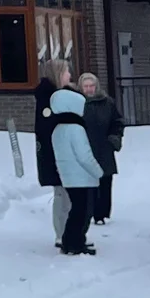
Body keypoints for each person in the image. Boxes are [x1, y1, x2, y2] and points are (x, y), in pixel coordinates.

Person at [49, 85, 106, 254]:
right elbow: (84, 156)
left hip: (68, 176)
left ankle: (71, 241)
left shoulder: (58, 128)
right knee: (82, 212)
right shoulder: (76, 128)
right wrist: (98, 172)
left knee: (76, 210)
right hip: (82, 177)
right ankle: (74, 243)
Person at [79, 73, 125, 224]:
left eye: (91, 86)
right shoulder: (77, 103)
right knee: (88, 182)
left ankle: (101, 214)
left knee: (105, 181)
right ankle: (88, 212)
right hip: (85, 147)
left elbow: (117, 122)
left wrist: (114, 137)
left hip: (104, 148)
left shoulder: (107, 103)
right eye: (86, 86)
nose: (89, 89)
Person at [34, 61, 65, 243]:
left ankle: (65, 232)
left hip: (58, 153)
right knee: (62, 194)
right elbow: (48, 128)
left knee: (65, 194)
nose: (69, 75)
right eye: (66, 71)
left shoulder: (54, 95)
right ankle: (62, 234)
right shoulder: (49, 98)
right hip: (55, 154)